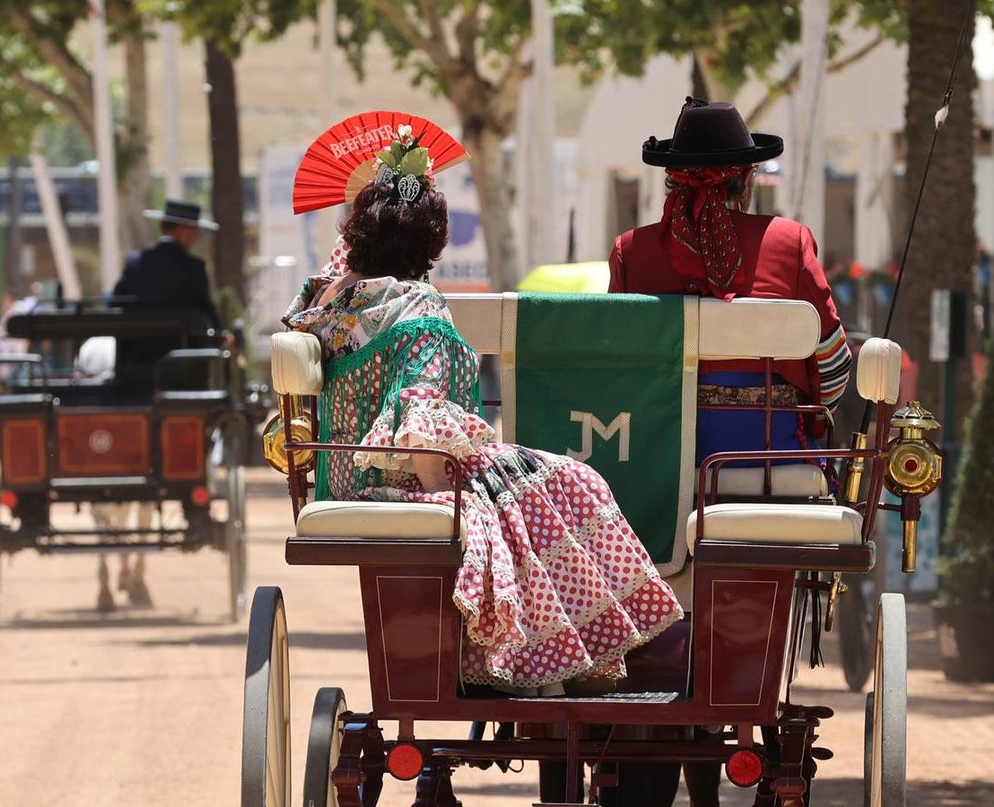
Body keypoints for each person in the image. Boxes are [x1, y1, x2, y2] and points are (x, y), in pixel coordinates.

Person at [283, 125, 683, 693]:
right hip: (406, 476)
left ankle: (558, 654)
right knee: (576, 480)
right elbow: (422, 422)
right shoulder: (419, 304)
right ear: (431, 241)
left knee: (544, 484)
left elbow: (337, 272)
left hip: (340, 474)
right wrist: (454, 497)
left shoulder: (327, 298)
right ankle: (562, 657)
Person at [608, 98, 852, 807]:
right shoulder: (788, 240)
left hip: (654, 473)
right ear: (745, 180)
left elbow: (618, 374)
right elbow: (829, 375)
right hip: (766, 472)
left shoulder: (633, 252)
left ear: (673, 181)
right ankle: (736, 697)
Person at [111, 199, 222, 386]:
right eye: (195, 231)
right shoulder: (193, 268)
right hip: (183, 370)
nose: (197, 237)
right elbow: (208, 313)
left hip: (133, 366)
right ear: (182, 231)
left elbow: (114, 304)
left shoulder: (135, 263)